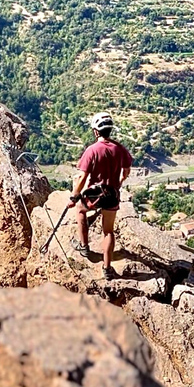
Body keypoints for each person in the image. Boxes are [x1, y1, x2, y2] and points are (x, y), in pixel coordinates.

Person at [67, 112, 132, 280]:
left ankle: (84, 247)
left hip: (95, 193)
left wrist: (74, 197)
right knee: (108, 231)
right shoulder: (120, 149)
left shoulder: (92, 150)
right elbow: (126, 171)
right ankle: (107, 268)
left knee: (80, 210)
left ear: (96, 131)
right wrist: (119, 182)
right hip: (111, 194)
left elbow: (82, 177)